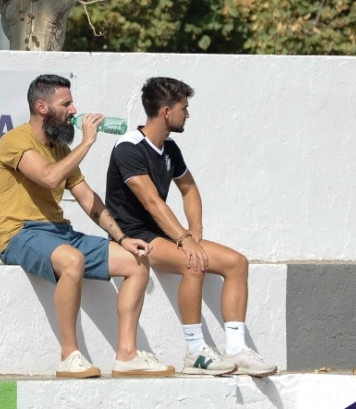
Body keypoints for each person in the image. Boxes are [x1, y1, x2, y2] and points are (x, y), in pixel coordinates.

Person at [0, 74, 174, 379]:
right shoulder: (15, 141)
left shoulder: (61, 149)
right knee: (71, 261)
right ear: (42, 107)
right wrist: (88, 141)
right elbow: (48, 177)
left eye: (72, 102)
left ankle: (127, 355)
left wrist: (123, 237)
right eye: (66, 103)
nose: (74, 110)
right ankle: (69, 356)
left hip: (59, 232)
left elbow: (89, 200)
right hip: (20, 233)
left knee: (137, 263)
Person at [105, 77, 278, 377]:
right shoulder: (128, 148)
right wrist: (184, 239)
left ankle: (237, 349)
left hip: (165, 232)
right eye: (184, 108)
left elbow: (189, 188)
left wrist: (195, 229)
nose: (188, 114)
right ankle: (195, 353)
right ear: (166, 112)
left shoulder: (169, 147)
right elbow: (151, 203)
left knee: (237, 263)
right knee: (192, 263)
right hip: (135, 236)